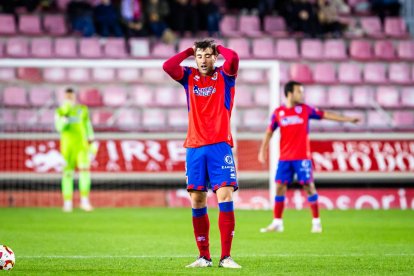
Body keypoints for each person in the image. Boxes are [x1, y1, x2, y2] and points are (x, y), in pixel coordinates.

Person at [163, 39, 241, 269]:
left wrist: (219, 48)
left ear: (215, 57)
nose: (203, 60)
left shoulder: (225, 76)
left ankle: (226, 257)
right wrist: (188, 51)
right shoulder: (189, 77)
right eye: (199, 56)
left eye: (208, 55)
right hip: (195, 147)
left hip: (219, 146)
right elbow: (168, 66)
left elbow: (234, 58)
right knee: (197, 200)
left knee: (224, 196)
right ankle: (204, 257)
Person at [258, 81, 359, 233]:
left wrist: (348, 119)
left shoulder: (305, 110)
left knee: (309, 187)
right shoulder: (278, 113)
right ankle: (277, 222)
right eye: (299, 91)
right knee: (279, 188)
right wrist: (262, 150)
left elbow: (326, 115)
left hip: (302, 158)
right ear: (290, 93)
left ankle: (316, 222)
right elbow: (269, 132)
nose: (302, 94)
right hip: (285, 158)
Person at [55, 88, 96, 212]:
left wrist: (92, 141)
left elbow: (87, 125)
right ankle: (67, 202)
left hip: (82, 146)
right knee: (67, 173)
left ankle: (84, 201)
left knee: (85, 172)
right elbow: (59, 128)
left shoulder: (82, 109)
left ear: (74, 96)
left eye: (71, 96)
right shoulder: (60, 111)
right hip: (67, 147)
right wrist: (65, 117)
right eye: (67, 96)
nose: (69, 98)